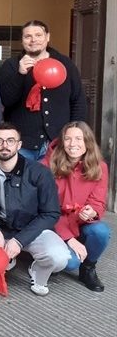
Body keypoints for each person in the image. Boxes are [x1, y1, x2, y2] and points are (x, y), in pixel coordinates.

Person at [0, 122, 68, 296]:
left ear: (19, 145)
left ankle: (38, 271)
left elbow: (51, 213)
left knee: (60, 257)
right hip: (0, 228)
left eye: (10, 141)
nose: (5, 146)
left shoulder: (39, 172)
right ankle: (3, 262)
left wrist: (19, 241)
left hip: (32, 230)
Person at [0, 20, 87, 161]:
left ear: (47, 37)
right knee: (22, 182)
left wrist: (74, 136)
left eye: (38, 35)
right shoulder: (11, 65)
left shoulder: (65, 63)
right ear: (22, 41)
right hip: (23, 144)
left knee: (53, 183)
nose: (33, 40)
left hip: (58, 143)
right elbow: (6, 101)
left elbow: (77, 100)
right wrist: (20, 74)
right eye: (28, 36)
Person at [41, 121, 110, 292]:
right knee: (70, 262)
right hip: (53, 224)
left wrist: (92, 212)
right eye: (68, 139)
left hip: (79, 223)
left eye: (78, 139)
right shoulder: (46, 166)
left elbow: (98, 202)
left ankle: (88, 268)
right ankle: (42, 260)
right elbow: (45, 209)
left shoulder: (100, 167)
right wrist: (69, 239)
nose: (73, 144)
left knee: (101, 231)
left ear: (87, 142)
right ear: (61, 142)